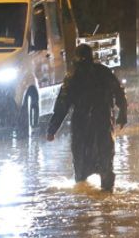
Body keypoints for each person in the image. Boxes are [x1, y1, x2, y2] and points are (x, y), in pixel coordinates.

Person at [46, 44, 128, 191]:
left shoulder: (72, 77)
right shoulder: (104, 72)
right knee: (105, 162)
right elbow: (119, 92)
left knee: (81, 165)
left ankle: (83, 202)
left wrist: (52, 129)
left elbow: (62, 106)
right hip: (103, 122)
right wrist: (123, 113)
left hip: (82, 125)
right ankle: (107, 200)